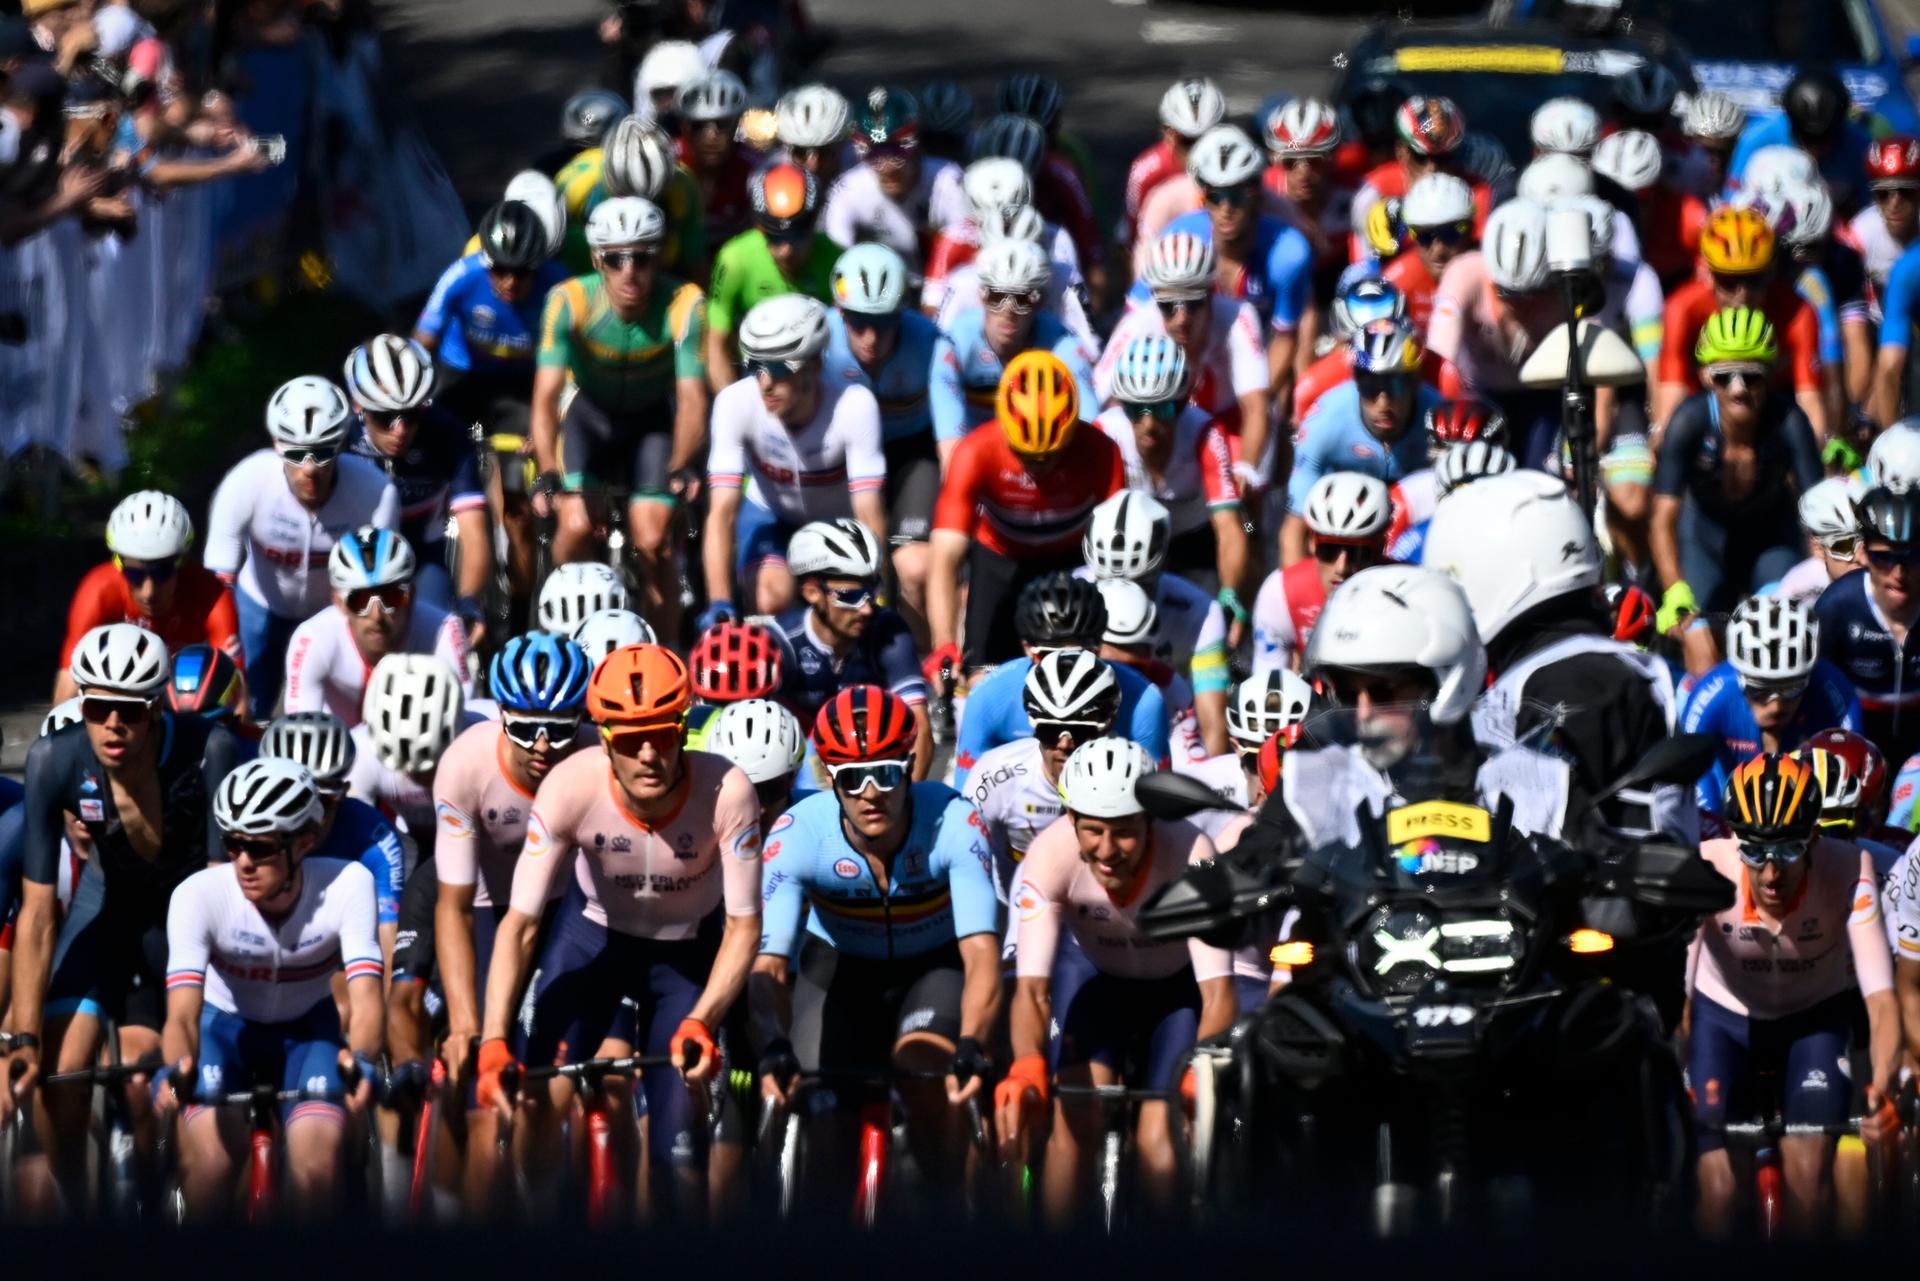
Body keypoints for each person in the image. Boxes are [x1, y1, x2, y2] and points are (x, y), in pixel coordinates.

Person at [476, 645, 760, 1219]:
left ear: (684, 728)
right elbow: (521, 926)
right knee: (539, 1101)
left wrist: (703, 1021)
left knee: (679, 1158)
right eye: (631, 738)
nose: (650, 754)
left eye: (663, 733)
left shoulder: (728, 792)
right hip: (591, 946)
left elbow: (743, 927)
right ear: (603, 737)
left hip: (683, 960)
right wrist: (491, 1039)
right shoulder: (569, 787)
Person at [3, 626, 238, 1213]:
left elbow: (223, 890)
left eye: (129, 712)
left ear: (156, 709)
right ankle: (79, 1207)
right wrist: (24, 1035)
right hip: (106, 905)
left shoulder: (208, 749)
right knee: (59, 1070)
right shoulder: (54, 758)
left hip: (187, 910)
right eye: (97, 707)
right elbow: (35, 914)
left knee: (194, 1062)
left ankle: (187, 1186)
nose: (112, 724)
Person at [752, 685, 1001, 1197]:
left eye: (887, 773)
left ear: (910, 766)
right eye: (851, 778)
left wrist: (973, 1040)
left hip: (933, 968)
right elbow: (770, 965)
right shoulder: (797, 835)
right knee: (818, 1111)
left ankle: (948, 1211)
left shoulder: (954, 821)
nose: (871, 793)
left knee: (926, 1079)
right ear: (827, 779)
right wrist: (774, 1043)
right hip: (838, 970)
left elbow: (980, 955)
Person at [997, 736, 1235, 1226]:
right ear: (1070, 822)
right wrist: (1025, 1063)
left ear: (1151, 820)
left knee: (1160, 1140)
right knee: (1074, 1119)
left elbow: (1217, 993)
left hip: (1176, 993)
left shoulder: (1197, 854)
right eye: (1093, 831)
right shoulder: (1049, 856)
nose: (1107, 851)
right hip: (1094, 979)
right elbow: (1031, 992)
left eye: (1124, 832)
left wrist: (1201, 1071)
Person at [153, 759, 382, 1222]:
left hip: (307, 1036)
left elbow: (367, 1000)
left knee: (317, 1170)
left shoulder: (348, 884)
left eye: (258, 848)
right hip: (222, 1033)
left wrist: (361, 1059)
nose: (243, 862)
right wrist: (175, 1068)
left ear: (304, 843)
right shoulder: (199, 895)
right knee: (214, 1166)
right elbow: (181, 1015)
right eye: (232, 844)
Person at [1690, 752, 1900, 1237]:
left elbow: (1882, 998)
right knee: (1719, 1191)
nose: (1769, 874)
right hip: (1725, 1021)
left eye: (1786, 851)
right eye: (1753, 852)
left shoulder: (1852, 868)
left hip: (1813, 1020)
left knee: (1809, 1182)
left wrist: (1883, 1088)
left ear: (1814, 839)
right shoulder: (1708, 867)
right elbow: (1682, 992)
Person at [420, 632, 591, 1207]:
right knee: (473, 1074)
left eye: (560, 729)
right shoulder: (466, 764)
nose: (543, 745)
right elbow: (453, 904)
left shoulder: (595, 758)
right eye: (523, 728)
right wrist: (467, 1020)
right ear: (499, 716)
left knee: (545, 1087)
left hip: (563, 910)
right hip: (485, 905)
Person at [531, 196, 708, 640]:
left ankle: (663, 653)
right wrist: (549, 471)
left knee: (654, 542)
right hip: (588, 417)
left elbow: (690, 398)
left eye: (643, 258)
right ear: (597, 259)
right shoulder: (568, 301)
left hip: (650, 423)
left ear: (658, 257)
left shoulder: (685, 304)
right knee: (572, 529)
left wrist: (683, 461)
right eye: (615, 259)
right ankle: (567, 647)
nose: (630, 272)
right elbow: (546, 397)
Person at [204, 376, 400, 720]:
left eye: (323, 454)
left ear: (341, 444)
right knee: (243, 708)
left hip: (333, 611)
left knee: (335, 712)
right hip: (259, 604)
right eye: (296, 454)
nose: (310, 469)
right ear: (277, 445)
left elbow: (381, 586)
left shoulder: (375, 492)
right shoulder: (247, 481)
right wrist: (228, 655)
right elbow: (216, 581)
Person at [926, 351, 1123, 682]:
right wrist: (944, 644)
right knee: (981, 679)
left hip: (1073, 560)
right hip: (1000, 559)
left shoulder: (1102, 452)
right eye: (1026, 456)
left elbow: (1121, 553)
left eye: (1052, 456)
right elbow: (944, 559)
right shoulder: (975, 453)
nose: (1039, 467)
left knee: (1088, 673)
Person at [704, 292, 888, 621]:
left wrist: (874, 591)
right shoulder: (735, 403)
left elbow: (868, 513)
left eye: (778, 367)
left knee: (846, 608)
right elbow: (721, 514)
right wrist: (720, 603)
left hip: (838, 525)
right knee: (770, 598)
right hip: (770, 515)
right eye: (755, 365)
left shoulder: (853, 405)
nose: (765, 383)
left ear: (814, 366)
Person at [1651, 308, 1822, 637]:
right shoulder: (1689, 421)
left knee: (1776, 632)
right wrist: (1673, 590)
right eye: (1724, 377)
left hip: (1771, 541)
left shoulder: (1790, 422)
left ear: (1770, 375)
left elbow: (1819, 511)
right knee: (1696, 637)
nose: (1738, 389)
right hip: (1703, 537)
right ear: (1705, 377)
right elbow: (1662, 518)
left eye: (1752, 375)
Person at [819, 242, 953, 627]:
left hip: (910, 455)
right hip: (843, 460)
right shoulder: (818, 341)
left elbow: (950, 440)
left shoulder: (930, 343)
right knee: (846, 568)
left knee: (914, 568)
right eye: (858, 321)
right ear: (839, 311)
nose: (871, 337)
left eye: (883, 322)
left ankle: (929, 676)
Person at [952, 571, 1170, 787]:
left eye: (1081, 655)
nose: (1066, 668)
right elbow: (967, 794)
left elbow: (1157, 802)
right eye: (1048, 655)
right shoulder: (988, 695)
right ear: (1026, 648)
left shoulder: (1144, 701)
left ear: (1100, 648)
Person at [1100, 231, 1270, 492]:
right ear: (1155, 298)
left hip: (1226, 422)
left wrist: (1246, 467)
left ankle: (1252, 529)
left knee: (1244, 496)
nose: (1182, 318)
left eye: (1193, 304)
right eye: (1169, 306)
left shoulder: (1238, 317)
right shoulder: (1136, 325)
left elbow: (1256, 407)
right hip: (1165, 424)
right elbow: (1101, 400)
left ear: (1211, 295)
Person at [341, 334, 492, 624]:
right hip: (349, 552)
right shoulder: (342, 436)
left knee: (434, 625)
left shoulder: (447, 433)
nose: (400, 430)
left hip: (421, 552)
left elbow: (473, 529)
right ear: (360, 407)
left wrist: (470, 602)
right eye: (386, 417)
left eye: (411, 415)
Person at [1090, 335, 1249, 603]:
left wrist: (1231, 593)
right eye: (1136, 409)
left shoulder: (1206, 433)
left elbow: (1229, 526)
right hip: (1128, 544)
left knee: (1249, 526)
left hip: (1195, 544)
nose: (1149, 424)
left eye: (1163, 409)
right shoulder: (1105, 433)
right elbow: (1093, 522)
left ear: (1183, 404)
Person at [1653, 206, 1826, 441]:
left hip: (1775, 408)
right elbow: (1671, 402)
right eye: (1729, 281)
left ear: (1771, 272)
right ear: (1709, 275)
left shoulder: (1798, 312)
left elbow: (1810, 403)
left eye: (1755, 280)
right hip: (1704, 411)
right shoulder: (1682, 308)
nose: (1742, 295)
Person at [1080, 490, 1230, 754]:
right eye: (1107, 585)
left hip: (1171, 724)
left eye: (1140, 584)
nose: (1125, 599)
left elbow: (1212, 724)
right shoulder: (1071, 596)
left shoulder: (1201, 611)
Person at [57, 490, 241, 703]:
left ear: (182, 562)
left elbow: (236, 691)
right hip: (126, 703)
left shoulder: (211, 593)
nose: (149, 591)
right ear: (118, 564)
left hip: (185, 702)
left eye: (162, 572)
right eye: (134, 574)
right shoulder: (99, 590)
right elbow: (67, 686)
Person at [1681, 595, 1862, 812]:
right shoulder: (1711, 695)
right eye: (1759, 690)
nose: (1776, 706)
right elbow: (1697, 791)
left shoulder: (1834, 690)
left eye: (1791, 689)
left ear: (1809, 675)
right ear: (1740, 678)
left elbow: (1853, 787)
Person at [770, 518, 931, 760]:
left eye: (872, 592)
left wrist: (907, 798)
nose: (866, 609)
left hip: (870, 763)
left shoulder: (888, 631)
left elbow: (920, 730)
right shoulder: (782, 641)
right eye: (851, 596)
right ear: (812, 592)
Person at [966, 649, 1120, 897]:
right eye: (1050, 730)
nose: (1063, 744)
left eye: (1079, 732)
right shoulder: (996, 775)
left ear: (1107, 725)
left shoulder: (1134, 774)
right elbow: (965, 865)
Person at [1282, 319, 1438, 564]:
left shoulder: (1438, 419)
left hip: (1413, 535)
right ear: (1356, 381)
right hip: (1344, 535)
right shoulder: (1324, 423)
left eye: (1396, 385)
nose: (1383, 403)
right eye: (1370, 386)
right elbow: (1293, 531)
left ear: (1415, 384)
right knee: (1250, 527)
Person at [283, 526, 470, 727]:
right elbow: (300, 732)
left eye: (390, 597)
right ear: (339, 603)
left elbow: (464, 719)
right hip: (339, 748)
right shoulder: (312, 640)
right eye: (360, 601)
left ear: (411, 595)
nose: (376, 615)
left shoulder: (445, 630)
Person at [257, 712, 405, 963]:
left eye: (321, 801)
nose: (306, 818)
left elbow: (387, 943)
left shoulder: (376, 838)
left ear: (344, 793)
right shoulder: (250, 830)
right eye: (291, 803)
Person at [931, 236, 1098, 443]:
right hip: (974, 448)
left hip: (1039, 455)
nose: (1008, 310)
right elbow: (949, 437)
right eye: (996, 297)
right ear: (980, 297)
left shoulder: (1062, 343)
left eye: (1022, 299)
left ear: (1041, 302)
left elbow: (1091, 432)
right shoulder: (956, 340)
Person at [703, 160, 840, 391]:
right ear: (759, 228)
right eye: (774, 238)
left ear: (813, 226)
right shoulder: (734, 259)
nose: (786, 250)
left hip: (818, 375)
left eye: (796, 236)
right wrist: (730, 402)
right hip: (755, 373)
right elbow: (716, 342)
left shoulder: (836, 261)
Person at [1816, 485, 1920, 769]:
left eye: (1912, 557)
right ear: (1863, 554)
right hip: (1850, 751)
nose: (1899, 574)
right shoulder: (1838, 607)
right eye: (1884, 558)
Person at [1255, 471, 1390, 673]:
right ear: (1311, 543)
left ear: (1380, 547)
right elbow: (1269, 689)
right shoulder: (1281, 592)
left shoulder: (1413, 591)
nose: (1342, 567)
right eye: (1329, 550)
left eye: (1358, 552)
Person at [821, 85, 965, 269]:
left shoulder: (948, 180)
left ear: (916, 145)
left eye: (897, 151)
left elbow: (969, 253)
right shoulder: (847, 190)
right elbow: (837, 261)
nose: (887, 166)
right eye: (873, 153)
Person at [1730, 65, 1877, 216]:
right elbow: (1730, 202)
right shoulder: (1757, 140)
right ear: (1791, 123)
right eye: (1808, 140)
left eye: (1824, 139)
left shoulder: (1862, 147)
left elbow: (1872, 211)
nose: (1815, 151)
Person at [1262, 97, 1355, 304]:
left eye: (1314, 161)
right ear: (1276, 161)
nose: (1302, 173)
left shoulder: (1357, 194)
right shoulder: (1262, 196)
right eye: (1290, 162)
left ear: (1333, 159)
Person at [1122, 77, 1226, 248]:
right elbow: (1130, 244)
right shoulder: (1145, 171)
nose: (1197, 153)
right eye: (1187, 141)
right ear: (1167, 135)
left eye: (1206, 140)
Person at [675, 68, 755, 249]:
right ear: (684, 127)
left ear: (736, 125)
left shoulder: (755, 169)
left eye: (722, 124)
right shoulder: (667, 162)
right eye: (698, 126)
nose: (711, 136)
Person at [706, 697, 809, 825]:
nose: (760, 809)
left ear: (793, 776)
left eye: (771, 791)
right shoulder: (699, 827)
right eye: (742, 794)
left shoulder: (822, 813)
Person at [1775, 476, 1865, 606]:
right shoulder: (1800, 587)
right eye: (1844, 545)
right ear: (1817, 548)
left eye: (1868, 544)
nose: (1860, 557)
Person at [1852, 135, 1920, 292]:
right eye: (1883, 194)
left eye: (1906, 192)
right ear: (1873, 197)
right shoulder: (1859, 235)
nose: (1894, 203)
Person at [773, 82, 851, 187]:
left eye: (824, 152)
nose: (813, 165)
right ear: (785, 147)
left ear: (841, 146)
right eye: (800, 153)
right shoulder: (767, 173)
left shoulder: (861, 174)